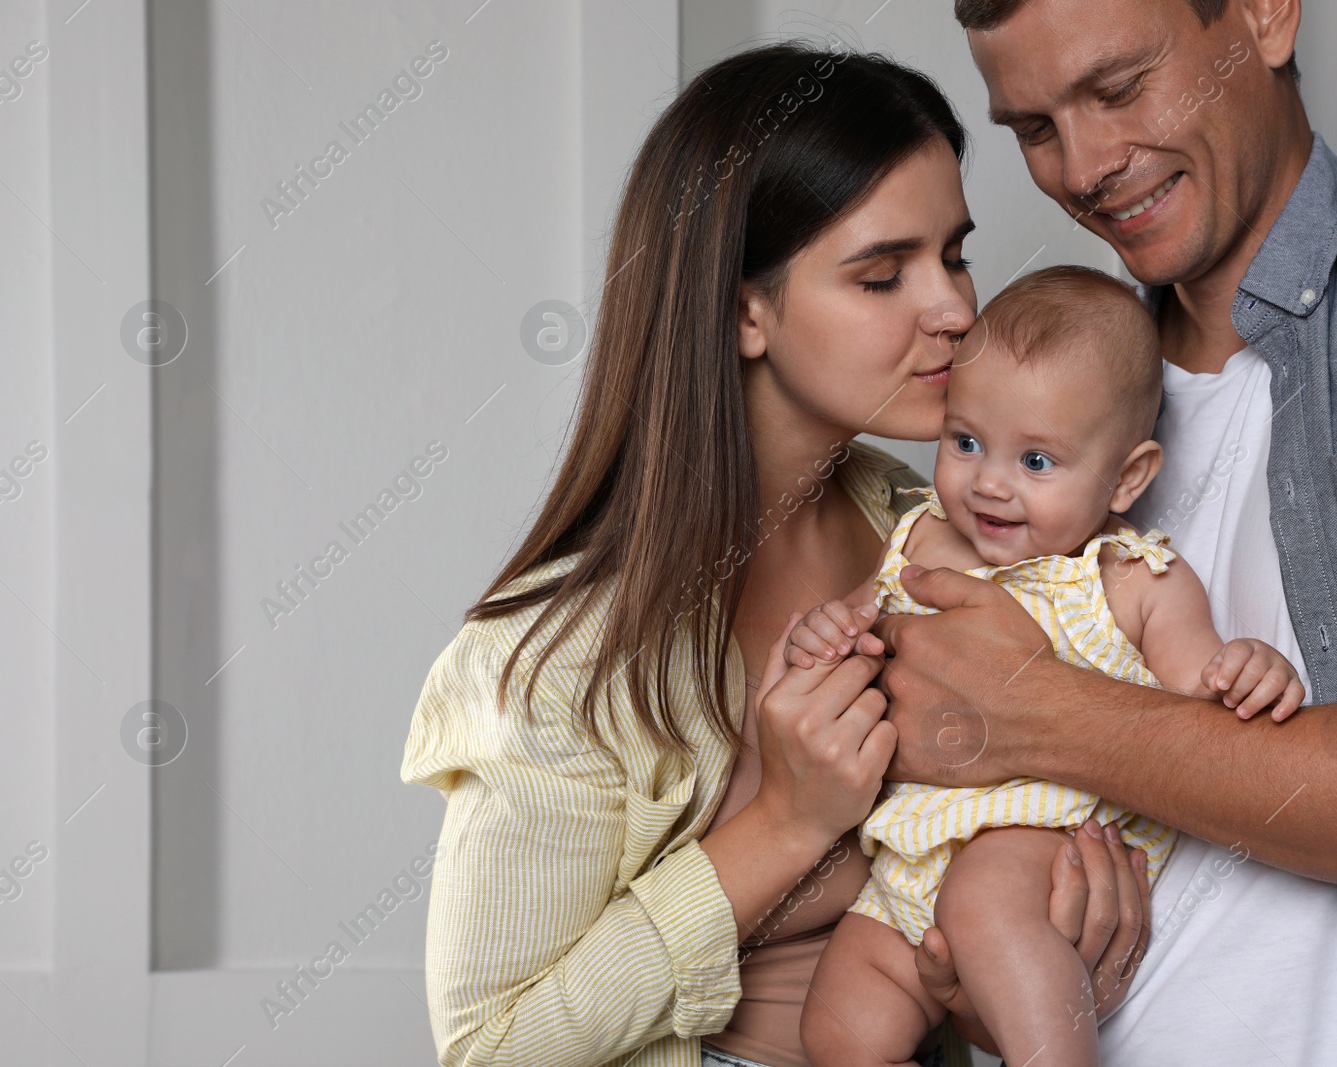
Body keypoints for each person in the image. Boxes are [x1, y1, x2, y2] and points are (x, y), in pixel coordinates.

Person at [400, 44, 1154, 1067]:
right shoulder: (558, 655)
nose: (954, 311)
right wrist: (787, 822)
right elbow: (494, 1048)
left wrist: (1043, 954)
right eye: (882, 274)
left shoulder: (952, 535)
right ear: (746, 308)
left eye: (955, 255)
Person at [871, 1, 1337, 1063]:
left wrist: (1037, 708)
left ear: (1267, 15)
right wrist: (977, 970)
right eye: (1034, 128)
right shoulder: (1040, 406)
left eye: (1118, 88)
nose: (1086, 165)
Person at [790, 266, 1305, 1067]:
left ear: (1128, 477)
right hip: (909, 852)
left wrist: (1249, 667)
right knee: (837, 1026)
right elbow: (860, 623)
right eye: (966, 443)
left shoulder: (1132, 578)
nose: (989, 482)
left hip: (1043, 833)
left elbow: (1204, 698)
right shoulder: (920, 538)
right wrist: (827, 631)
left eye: (1037, 461)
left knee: (988, 911)